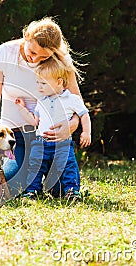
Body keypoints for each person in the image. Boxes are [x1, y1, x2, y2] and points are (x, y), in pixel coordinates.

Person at [0, 17, 83, 195]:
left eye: (44, 57)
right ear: (26, 37)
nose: (35, 59)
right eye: (33, 52)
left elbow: (76, 102)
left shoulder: (61, 60)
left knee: (60, 189)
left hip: (50, 139)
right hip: (15, 138)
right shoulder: (4, 53)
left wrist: (72, 125)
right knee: (13, 187)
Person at [15, 57, 91, 200]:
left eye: (43, 83)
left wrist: (86, 132)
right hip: (40, 143)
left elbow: (84, 115)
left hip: (62, 143)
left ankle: (72, 191)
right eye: (38, 83)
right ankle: (32, 191)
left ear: (59, 82)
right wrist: (22, 108)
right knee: (35, 167)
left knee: (68, 166)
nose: (39, 87)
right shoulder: (41, 101)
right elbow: (34, 121)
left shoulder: (71, 99)